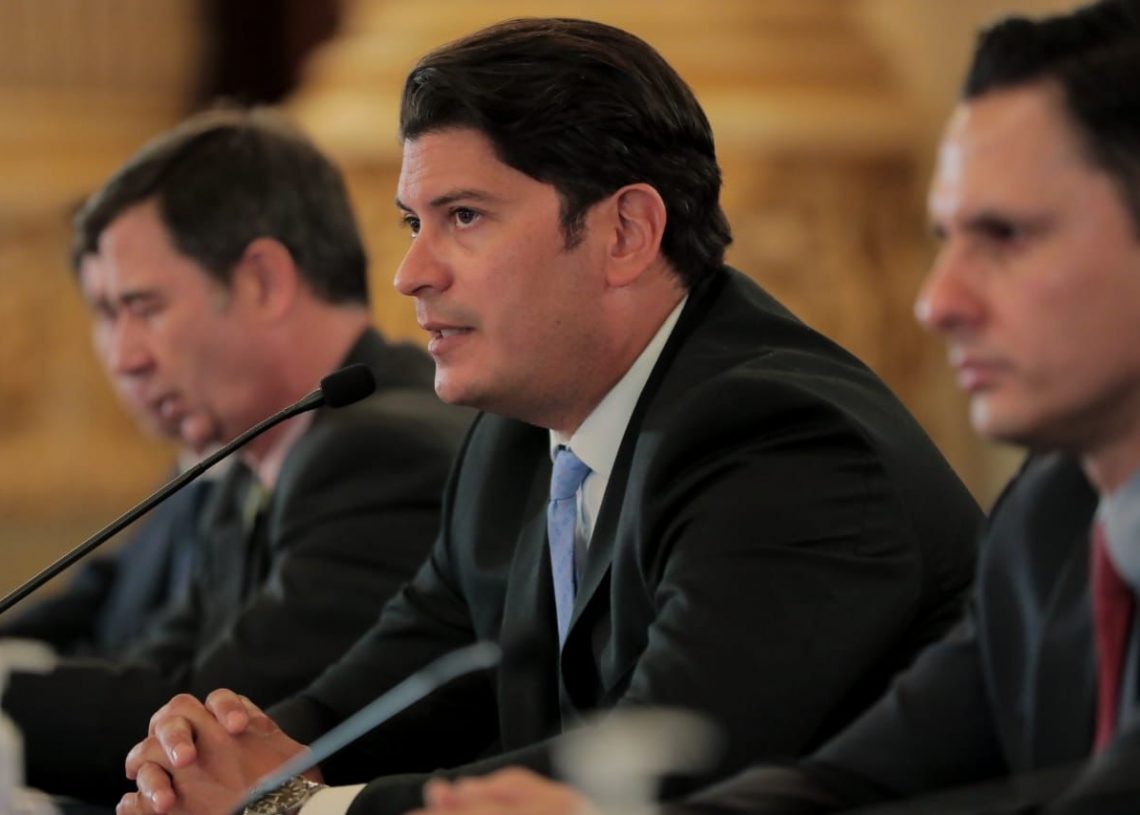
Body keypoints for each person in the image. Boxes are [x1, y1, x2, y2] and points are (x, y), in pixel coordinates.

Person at [121, 18, 982, 815]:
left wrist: (296, 807)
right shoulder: (516, 438)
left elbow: (654, 761)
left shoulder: (783, 442)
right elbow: (405, 684)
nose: (411, 272)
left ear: (626, 233)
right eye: (414, 222)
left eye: (464, 217)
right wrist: (246, 751)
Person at [395, 2, 1140, 813]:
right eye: (945, 238)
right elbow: (858, 778)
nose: (937, 301)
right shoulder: (1052, 511)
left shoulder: (779, 436)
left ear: (628, 231)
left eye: (1007, 235)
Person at [0, 108, 471, 805]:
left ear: (262, 282)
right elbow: (153, 673)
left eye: (144, 307)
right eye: (107, 316)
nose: (123, 357)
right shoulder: (250, 455)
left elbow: (214, 730)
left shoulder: (381, 451)